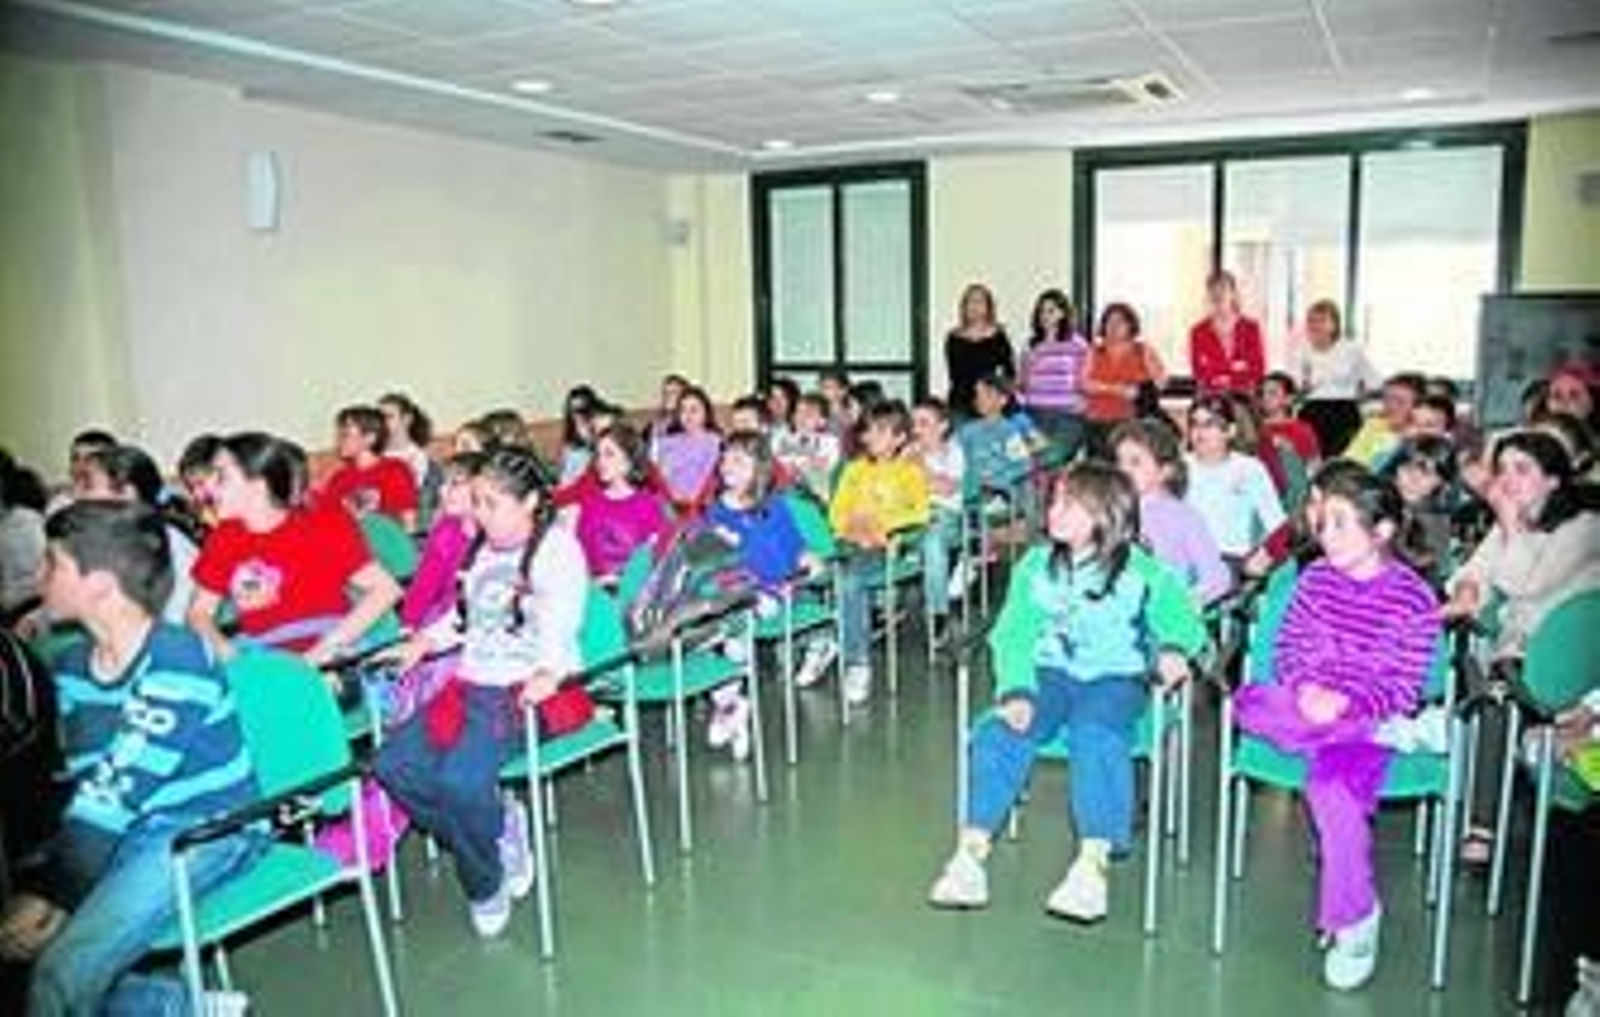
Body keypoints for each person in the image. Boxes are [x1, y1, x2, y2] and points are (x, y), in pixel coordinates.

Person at [4, 501, 261, 1014]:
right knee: (29, 968)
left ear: (99, 584)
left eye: (53, 564)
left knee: (60, 972)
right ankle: (176, 1006)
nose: (39, 577)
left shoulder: (178, 657)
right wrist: (54, 883)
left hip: (204, 832)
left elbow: (115, 789)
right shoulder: (73, 665)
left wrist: (56, 894)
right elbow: (87, 784)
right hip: (127, 833)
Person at [927, 462, 1203, 921]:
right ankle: (971, 854)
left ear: (1105, 516)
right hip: (1050, 676)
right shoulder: (1036, 566)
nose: (1053, 511)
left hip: (1115, 677)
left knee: (1096, 735)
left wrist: (1175, 649)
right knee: (999, 732)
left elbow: (1182, 622)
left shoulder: (1143, 572)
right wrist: (1017, 689)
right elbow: (1013, 633)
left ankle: (1091, 866)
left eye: (1068, 505)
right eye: (1055, 501)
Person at [1231, 467, 1442, 990]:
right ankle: (1393, 736)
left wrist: (1349, 704)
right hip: (1312, 709)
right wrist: (1306, 691)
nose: (1326, 535)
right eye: (1323, 524)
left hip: (1364, 711)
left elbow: (1404, 684)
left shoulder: (1412, 598)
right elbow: (1289, 650)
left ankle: (1355, 920)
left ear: (1383, 530)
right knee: (1248, 702)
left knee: (1331, 789)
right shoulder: (1315, 578)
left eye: (1341, 524)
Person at [374, 448, 587, 939]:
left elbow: (562, 623)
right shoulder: (481, 550)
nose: (479, 514)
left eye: (491, 504)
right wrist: (424, 641)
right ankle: (496, 826)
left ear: (530, 501)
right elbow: (465, 617)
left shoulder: (555, 550)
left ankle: (483, 881)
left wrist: (549, 672)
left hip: (525, 689)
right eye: (477, 502)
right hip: (471, 685)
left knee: (457, 783)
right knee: (392, 765)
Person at [189, 432, 402, 666]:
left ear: (258, 484)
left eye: (221, 478)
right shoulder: (224, 537)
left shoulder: (322, 523)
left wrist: (323, 651)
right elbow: (199, 612)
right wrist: (224, 650)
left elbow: (386, 590)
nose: (208, 488)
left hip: (326, 650)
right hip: (263, 656)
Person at [702, 431, 808, 761]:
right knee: (704, 631)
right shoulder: (714, 512)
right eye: (725, 458)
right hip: (730, 593)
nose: (726, 465)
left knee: (736, 625)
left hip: (774, 592)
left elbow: (796, 549)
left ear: (758, 468)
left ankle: (729, 705)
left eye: (738, 460)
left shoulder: (775, 506)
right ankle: (731, 704)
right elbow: (708, 564)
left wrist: (807, 562)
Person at [828, 400, 930, 705]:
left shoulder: (909, 472)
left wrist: (880, 526)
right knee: (806, 574)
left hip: (883, 545)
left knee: (849, 581)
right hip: (848, 540)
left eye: (879, 432)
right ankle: (818, 640)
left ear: (899, 439)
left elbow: (920, 512)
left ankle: (856, 663)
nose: (869, 437)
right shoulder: (852, 470)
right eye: (868, 431)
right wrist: (851, 528)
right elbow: (835, 512)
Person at [1110, 419, 1232, 606]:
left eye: (1135, 462)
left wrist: (1182, 605)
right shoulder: (1110, 510)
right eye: (1120, 462)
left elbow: (1218, 579)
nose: (1123, 470)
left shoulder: (1182, 517)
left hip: (1162, 618)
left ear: (1165, 471)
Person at [1183, 395, 1288, 571]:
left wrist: (1264, 555)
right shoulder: (1178, 467)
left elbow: (1279, 527)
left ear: (1230, 431)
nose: (1199, 432)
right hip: (1184, 563)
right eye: (1194, 424)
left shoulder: (1249, 469)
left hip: (1231, 563)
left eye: (1209, 424)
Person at [1290, 300, 1380, 457]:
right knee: (1312, 460)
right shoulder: (1301, 350)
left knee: (1339, 461)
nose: (1315, 325)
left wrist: (1360, 397)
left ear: (1335, 324)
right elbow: (1294, 388)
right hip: (1312, 411)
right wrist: (1303, 388)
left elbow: (1375, 382)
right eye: (1311, 320)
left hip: (1343, 411)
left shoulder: (1350, 349)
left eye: (1322, 320)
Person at [1082, 302, 1166, 455]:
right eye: (1109, 322)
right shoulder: (1094, 351)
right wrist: (1117, 390)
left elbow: (1161, 382)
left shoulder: (1143, 350)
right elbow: (1084, 384)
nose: (1114, 326)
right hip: (1098, 421)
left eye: (1120, 321)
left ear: (1130, 325)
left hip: (1133, 421)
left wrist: (1139, 390)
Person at [319, 405, 420, 531]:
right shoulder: (339, 478)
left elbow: (408, 522)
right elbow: (327, 521)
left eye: (345, 435)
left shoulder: (395, 470)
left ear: (369, 438)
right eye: (339, 435)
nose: (339, 440)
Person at [1017, 288, 1089, 461]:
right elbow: (1022, 384)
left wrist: (1083, 405)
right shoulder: (1030, 344)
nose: (1045, 315)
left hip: (1067, 416)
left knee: (1052, 456)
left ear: (1063, 314)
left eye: (1051, 310)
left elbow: (1084, 382)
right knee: (1021, 458)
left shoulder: (1077, 343)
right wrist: (1029, 361)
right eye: (1041, 311)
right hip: (1034, 413)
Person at [1189, 270, 1265, 397]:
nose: (1217, 296)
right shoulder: (1198, 332)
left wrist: (1221, 375)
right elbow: (1200, 373)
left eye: (1223, 290)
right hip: (1211, 397)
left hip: (1244, 397)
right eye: (1212, 291)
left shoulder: (1251, 328)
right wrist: (1236, 368)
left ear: (1233, 294)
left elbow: (1257, 369)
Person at [944, 283, 1015, 419]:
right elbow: (955, 375)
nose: (975, 306)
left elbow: (1009, 372)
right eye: (970, 301)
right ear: (964, 307)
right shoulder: (953, 337)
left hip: (993, 404)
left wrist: (993, 398)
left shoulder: (999, 335)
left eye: (980, 301)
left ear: (988, 307)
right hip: (962, 404)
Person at [1345, 373, 1426, 469]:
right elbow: (1349, 460)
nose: (1391, 406)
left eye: (1400, 402)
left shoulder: (1420, 439)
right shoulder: (1374, 424)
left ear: (1418, 407)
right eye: (1387, 399)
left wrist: (1401, 440)